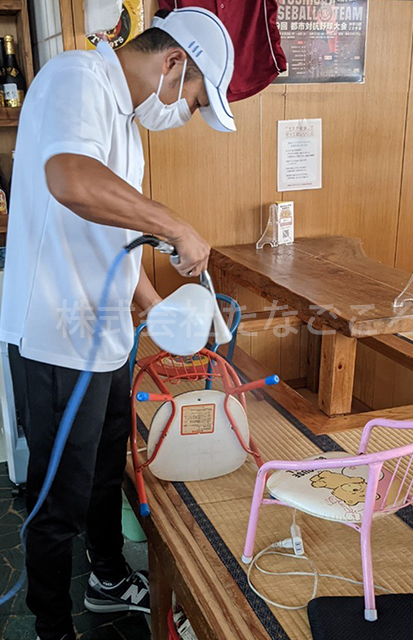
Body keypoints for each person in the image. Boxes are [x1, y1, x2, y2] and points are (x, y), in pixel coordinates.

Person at [0, 8, 235, 640]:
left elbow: (117, 242)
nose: (185, 113)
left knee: (107, 470)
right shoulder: (76, 78)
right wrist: (174, 223)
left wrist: (157, 310)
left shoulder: (128, 126)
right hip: (55, 335)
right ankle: (54, 624)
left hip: (103, 334)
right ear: (173, 62)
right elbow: (69, 177)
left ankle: (106, 578)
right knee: (58, 497)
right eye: (192, 100)